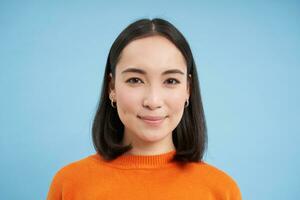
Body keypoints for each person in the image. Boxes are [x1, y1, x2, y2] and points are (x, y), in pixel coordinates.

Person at [47, 18, 242, 200]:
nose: (153, 100)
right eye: (135, 80)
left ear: (188, 90)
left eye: (171, 81)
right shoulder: (70, 184)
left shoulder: (221, 190)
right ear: (112, 87)